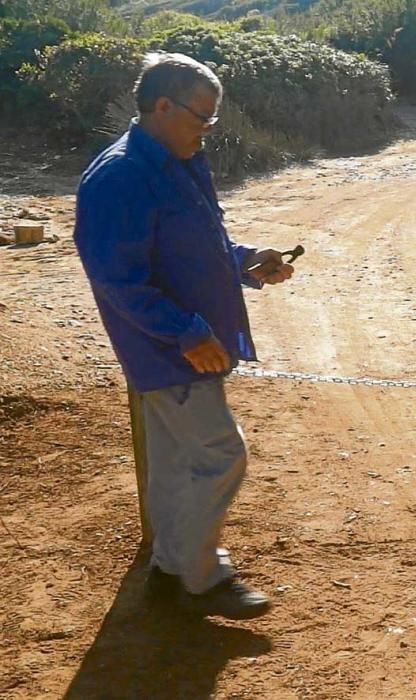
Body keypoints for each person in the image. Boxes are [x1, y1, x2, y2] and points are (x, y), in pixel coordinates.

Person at [73, 52, 294, 620]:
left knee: (175, 463)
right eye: (203, 118)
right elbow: (117, 278)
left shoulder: (178, 158)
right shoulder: (120, 175)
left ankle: (170, 573)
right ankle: (204, 575)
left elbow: (198, 243)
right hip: (169, 351)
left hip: (183, 345)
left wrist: (246, 262)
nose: (208, 130)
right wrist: (186, 333)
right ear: (163, 106)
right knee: (221, 456)